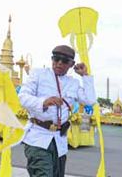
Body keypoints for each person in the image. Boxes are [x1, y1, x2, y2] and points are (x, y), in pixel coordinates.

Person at [18, 45, 96, 177]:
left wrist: (85, 76)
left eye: (64, 61)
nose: (59, 63)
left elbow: (90, 100)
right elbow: (22, 97)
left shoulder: (73, 83)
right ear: (52, 59)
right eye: (56, 59)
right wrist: (43, 102)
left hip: (59, 143)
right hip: (38, 139)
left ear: (71, 64)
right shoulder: (38, 74)